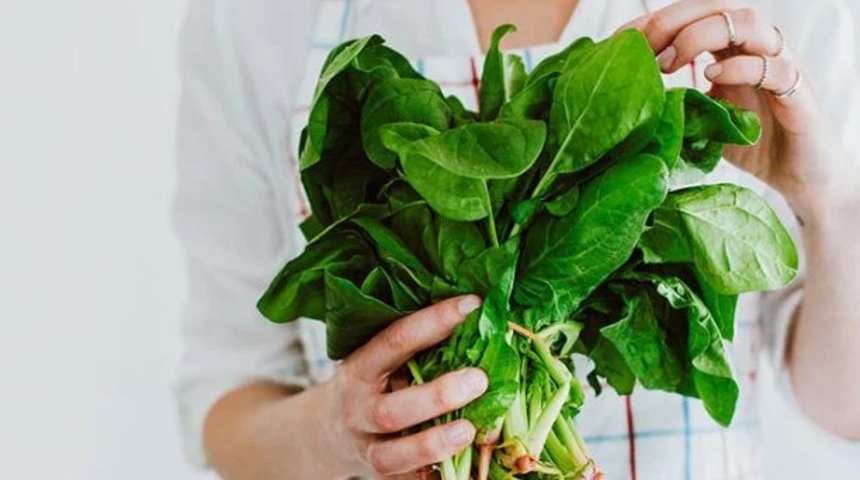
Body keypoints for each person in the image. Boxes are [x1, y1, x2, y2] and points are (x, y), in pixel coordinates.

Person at [172, 0, 860, 479]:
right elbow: (229, 397)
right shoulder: (255, 18)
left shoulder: (788, 10)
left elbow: (847, 409)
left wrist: (827, 201)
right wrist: (332, 435)